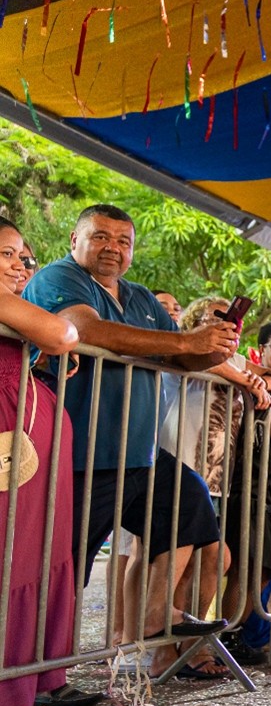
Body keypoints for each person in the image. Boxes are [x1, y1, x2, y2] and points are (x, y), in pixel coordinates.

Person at [21, 205, 234, 677]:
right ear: (75, 240)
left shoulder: (139, 296)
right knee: (61, 569)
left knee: (193, 514)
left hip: (140, 452)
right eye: (100, 237)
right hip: (80, 453)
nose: (112, 248)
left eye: (123, 241)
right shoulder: (61, 277)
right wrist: (187, 343)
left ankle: (158, 625)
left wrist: (213, 347)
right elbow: (85, 328)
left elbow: (181, 358)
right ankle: (38, 676)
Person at [0, 218, 88, 706]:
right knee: (9, 559)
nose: (19, 265)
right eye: (6, 254)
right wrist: (52, 339)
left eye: (23, 256)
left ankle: (25, 690)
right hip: (10, 442)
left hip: (30, 439)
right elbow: (62, 332)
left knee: (32, 558)